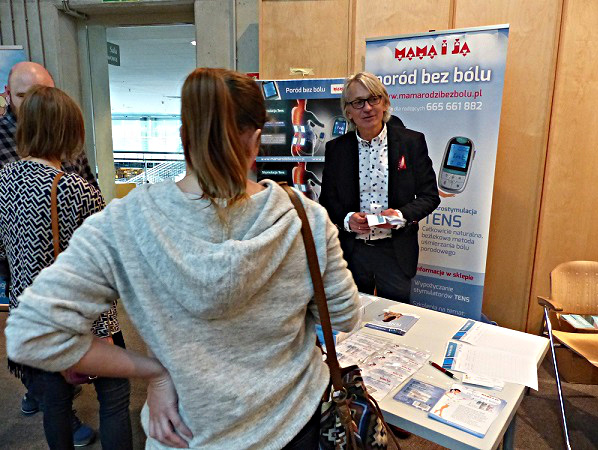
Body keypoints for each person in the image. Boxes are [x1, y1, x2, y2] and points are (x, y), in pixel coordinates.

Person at [6, 68, 360, 449]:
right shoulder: (305, 218)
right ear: (256, 141)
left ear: (182, 136)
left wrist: (155, 372)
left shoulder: (128, 221)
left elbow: (31, 333)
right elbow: (344, 315)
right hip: (294, 423)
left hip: (184, 434)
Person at [0, 86, 132, 449]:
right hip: (79, 318)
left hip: (29, 317)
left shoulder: (4, 180)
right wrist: (103, 332)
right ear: (68, 131)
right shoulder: (78, 190)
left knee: (55, 404)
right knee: (115, 395)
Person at [0, 61, 99, 419]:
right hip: (28, 273)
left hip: (62, 273)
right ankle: (43, 392)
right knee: (45, 361)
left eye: (43, 94)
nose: (34, 104)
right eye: (24, 96)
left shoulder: (66, 152)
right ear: (8, 95)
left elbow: (91, 200)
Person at [320, 72, 440, 303]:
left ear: (384, 103)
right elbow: (327, 201)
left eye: (373, 99)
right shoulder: (336, 149)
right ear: (348, 111)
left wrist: (400, 215)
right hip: (353, 253)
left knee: (395, 317)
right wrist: (347, 220)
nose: (367, 108)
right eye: (358, 102)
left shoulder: (411, 142)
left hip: (395, 252)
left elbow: (430, 196)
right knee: (353, 316)